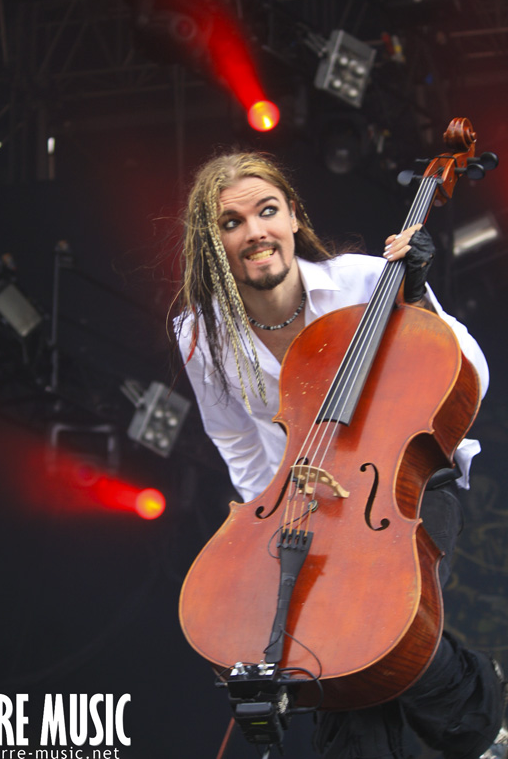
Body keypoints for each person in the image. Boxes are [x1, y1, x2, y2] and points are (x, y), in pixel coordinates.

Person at [173, 150, 507, 759]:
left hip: (405, 486)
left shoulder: (362, 281)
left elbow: (472, 373)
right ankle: (482, 722)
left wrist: (419, 298)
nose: (254, 233)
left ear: (294, 217)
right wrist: (267, 516)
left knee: (359, 645)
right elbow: (235, 436)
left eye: (267, 211)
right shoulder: (201, 334)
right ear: (212, 242)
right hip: (303, 510)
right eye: (230, 223)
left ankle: (479, 715)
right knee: (344, 665)